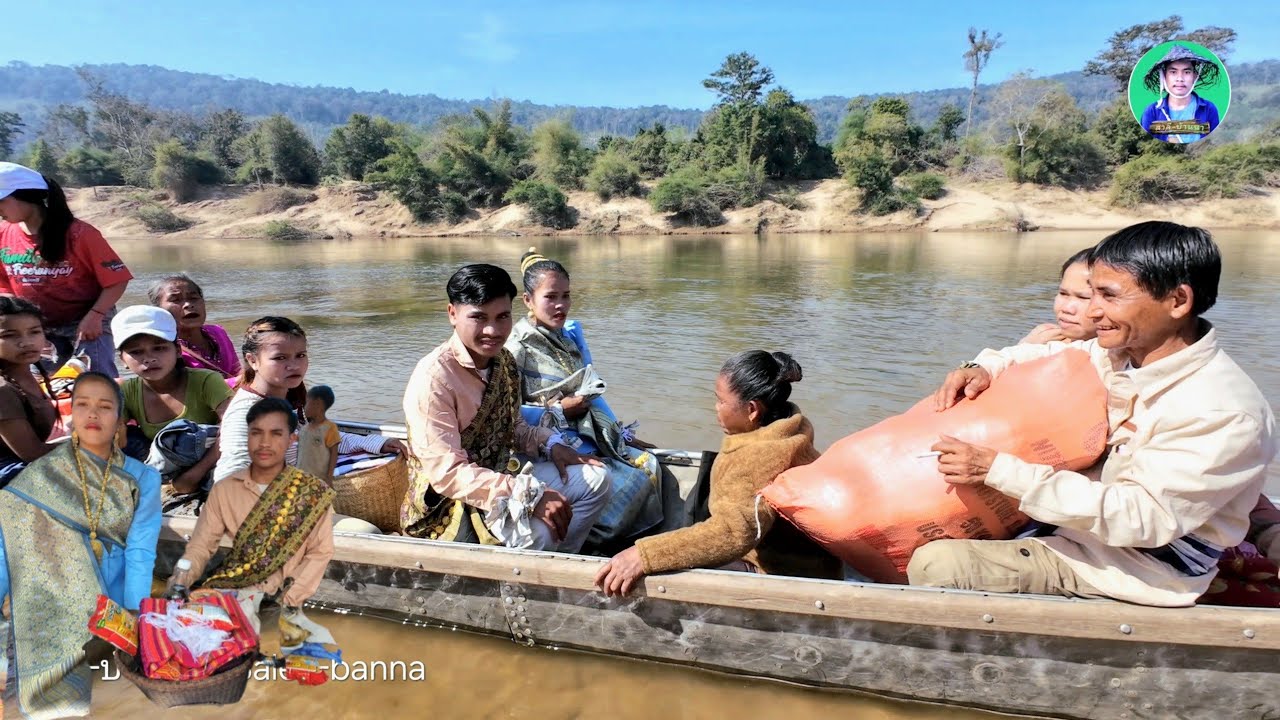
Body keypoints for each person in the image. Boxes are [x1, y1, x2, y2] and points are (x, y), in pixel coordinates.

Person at [910, 221, 1276, 607]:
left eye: (1108, 296)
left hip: (1133, 567)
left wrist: (999, 471)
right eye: (1089, 294)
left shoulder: (1219, 409)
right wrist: (982, 367)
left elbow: (1141, 518)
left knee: (938, 566)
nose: (1092, 310)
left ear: (1177, 301)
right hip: (1077, 530)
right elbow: (1043, 355)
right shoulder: (1121, 354)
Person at [402, 263, 610, 552]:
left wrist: (552, 445)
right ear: (452, 313)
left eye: (502, 317)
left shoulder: (504, 362)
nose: (493, 330)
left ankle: (560, 562)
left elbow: (514, 428)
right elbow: (447, 475)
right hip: (450, 504)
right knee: (540, 531)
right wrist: (528, 495)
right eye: (478, 317)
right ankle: (532, 573)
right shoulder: (434, 378)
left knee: (597, 479)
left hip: (500, 473)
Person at [595, 351, 841, 596]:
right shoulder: (790, 426)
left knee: (661, 568)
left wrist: (644, 554)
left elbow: (732, 534)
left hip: (784, 572)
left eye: (721, 401)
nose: (716, 408)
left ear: (752, 410)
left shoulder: (757, 458)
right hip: (803, 559)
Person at [0, 371, 161, 718]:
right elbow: (6, 548)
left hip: (108, 609)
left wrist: (135, 610)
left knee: (106, 699)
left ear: (120, 420)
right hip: (45, 607)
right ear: (70, 415)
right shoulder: (38, 475)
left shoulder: (144, 478)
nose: (92, 414)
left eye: (104, 406)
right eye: (83, 405)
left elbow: (141, 550)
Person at [507, 248, 662, 550]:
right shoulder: (517, 348)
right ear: (528, 300)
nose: (560, 305)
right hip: (547, 446)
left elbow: (590, 390)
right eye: (551, 297)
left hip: (584, 432)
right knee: (624, 485)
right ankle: (591, 545)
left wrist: (618, 433)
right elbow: (511, 416)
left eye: (566, 296)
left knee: (650, 464)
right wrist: (561, 410)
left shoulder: (567, 337)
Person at [176, 397, 336, 649]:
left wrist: (291, 599)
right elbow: (200, 547)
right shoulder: (226, 490)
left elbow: (320, 554)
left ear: (291, 440)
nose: (265, 443)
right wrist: (180, 579)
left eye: (276, 434)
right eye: (256, 433)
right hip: (228, 595)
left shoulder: (313, 493)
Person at [212, 317, 402, 484]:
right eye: (280, 358)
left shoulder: (289, 399)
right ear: (253, 360)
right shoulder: (246, 412)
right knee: (368, 528)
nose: (294, 365)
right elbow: (232, 477)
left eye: (300, 355)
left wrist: (375, 443)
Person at [0, 162, 132, 376]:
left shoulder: (80, 234)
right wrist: (25, 328)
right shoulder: (3, 232)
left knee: (95, 381)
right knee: (38, 381)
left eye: (1, 201)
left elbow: (116, 280)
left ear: (26, 196)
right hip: (38, 326)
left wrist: (95, 316)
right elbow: (4, 285)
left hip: (88, 319)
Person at [113, 305, 232, 500]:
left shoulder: (206, 381)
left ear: (177, 350)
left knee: (181, 435)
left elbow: (237, 429)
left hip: (212, 460)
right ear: (123, 360)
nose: (149, 359)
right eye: (136, 352)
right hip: (165, 466)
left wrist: (194, 475)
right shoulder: (127, 392)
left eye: (159, 348)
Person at [0, 297, 61, 486]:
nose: (26, 342)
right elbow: (33, 454)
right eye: (10, 335)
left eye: (34, 332)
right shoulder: (3, 390)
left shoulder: (26, 375)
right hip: (9, 472)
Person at [147, 273, 241, 380]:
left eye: (193, 298)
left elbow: (236, 370)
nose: (188, 304)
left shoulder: (217, 332)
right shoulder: (164, 348)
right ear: (159, 310)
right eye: (176, 300)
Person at [1138, 44, 1222, 144]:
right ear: (1165, 76)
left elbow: (1215, 143)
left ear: (1194, 76)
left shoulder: (1208, 109)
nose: (1180, 79)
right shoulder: (1151, 112)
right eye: (1173, 72)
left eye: (1186, 72)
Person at [1019, 247, 1095, 344]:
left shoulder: (1109, 356)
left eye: (1083, 297)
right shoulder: (1042, 339)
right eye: (1063, 293)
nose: (1066, 308)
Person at [298, 384, 340, 483]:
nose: (305, 407)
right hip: (301, 475)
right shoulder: (304, 428)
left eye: (307, 403)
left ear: (318, 405)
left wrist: (329, 477)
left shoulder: (329, 428)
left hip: (318, 478)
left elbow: (334, 453)